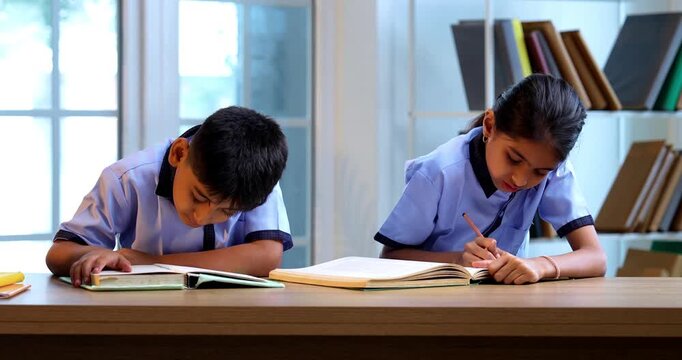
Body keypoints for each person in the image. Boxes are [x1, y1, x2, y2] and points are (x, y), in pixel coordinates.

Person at [375, 74, 606, 284]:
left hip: (508, 305)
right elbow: (390, 258)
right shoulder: (439, 171)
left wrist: (540, 265)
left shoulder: (554, 170)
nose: (520, 179)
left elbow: (595, 257)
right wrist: (457, 261)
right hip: (435, 303)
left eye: (540, 172)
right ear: (489, 125)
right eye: (514, 158)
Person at [46, 106, 292, 287]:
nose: (201, 216)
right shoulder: (127, 178)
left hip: (231, 315)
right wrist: (95, 257)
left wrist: (153, 262)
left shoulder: (254, 180)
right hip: (146, 313)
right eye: (197, 196)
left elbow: (267, 256)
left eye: (227, 211)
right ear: (179, 153)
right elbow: (58, 254)